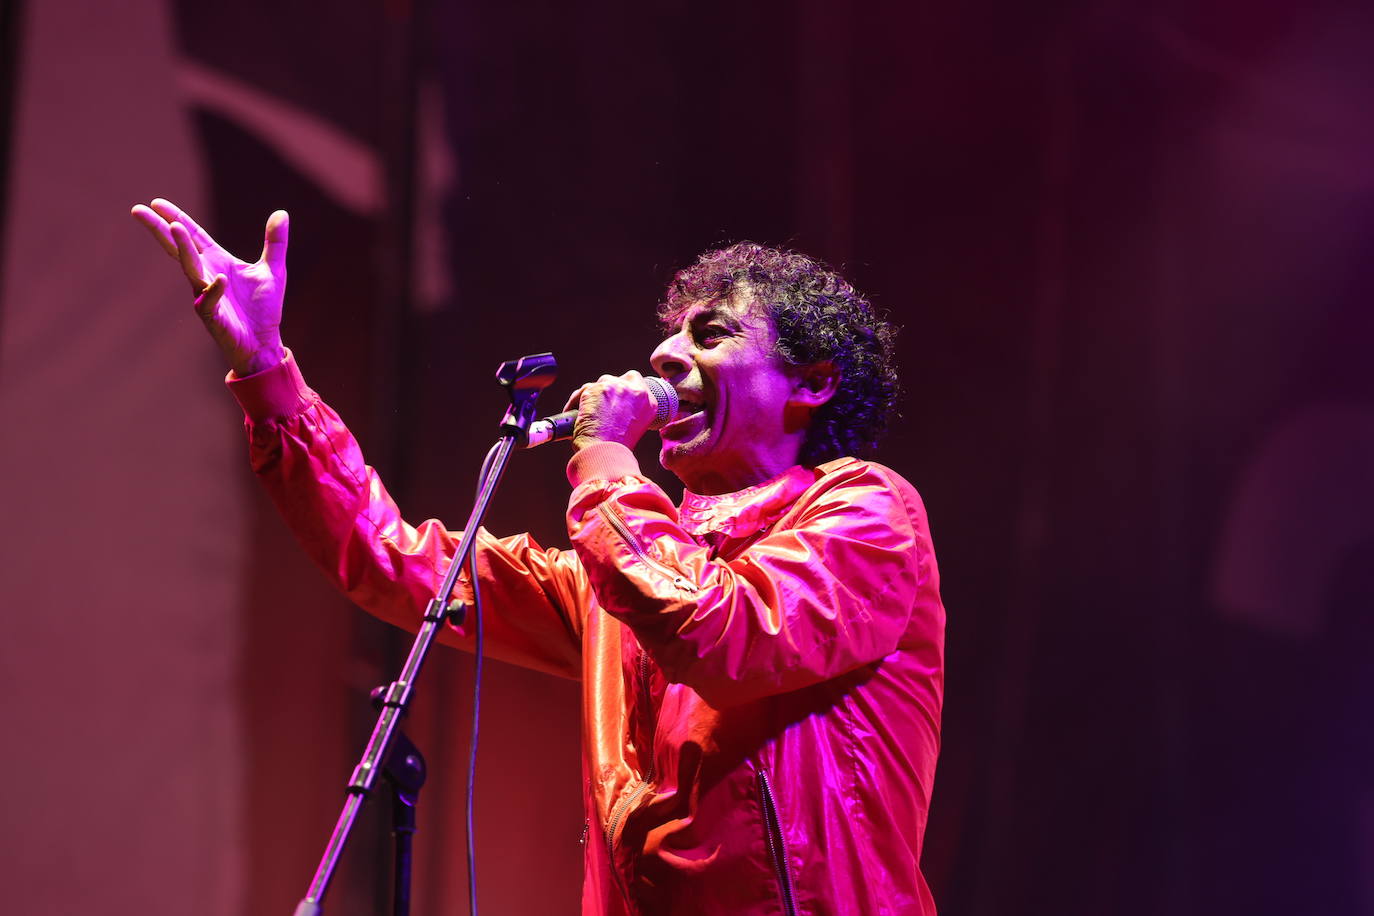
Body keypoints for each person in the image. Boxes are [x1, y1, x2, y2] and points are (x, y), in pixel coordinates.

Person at [131, 198, 946, 915]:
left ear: (812, 381)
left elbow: (726, 635)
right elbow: (393, 561)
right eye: (667, 337)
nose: (665, 357)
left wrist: (603, 463)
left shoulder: (868, 511)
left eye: (711, 334)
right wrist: (266, 370)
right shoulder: (622, 568)